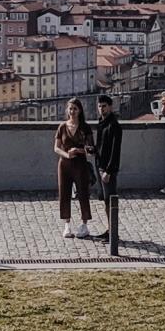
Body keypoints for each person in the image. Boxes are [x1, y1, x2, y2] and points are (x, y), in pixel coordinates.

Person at [54, 98, 96, 238]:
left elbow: (91, 149)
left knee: (83, 193)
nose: (72, 112)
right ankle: (67, 225)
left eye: (75, 109)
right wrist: (67, 154)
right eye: (70, 109)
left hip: (80, 164)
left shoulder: (85, 127)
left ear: (80, 111)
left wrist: (79, 150)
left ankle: (84, 224)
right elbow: (56, 148)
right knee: (64, 193)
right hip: (64, 164)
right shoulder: (62, 127)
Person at [92, 94, 123, 196]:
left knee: (110, 198)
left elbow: (115, 150)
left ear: (110, 107)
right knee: (103, 197)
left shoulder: (114, 125)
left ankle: (110, 213)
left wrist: (108, 171)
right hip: (99, 164)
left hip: (108, 168)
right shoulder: (101, 122)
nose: (101, 109)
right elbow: (101, 145)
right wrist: (93, 150)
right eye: (99, 106)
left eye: (104, 106)